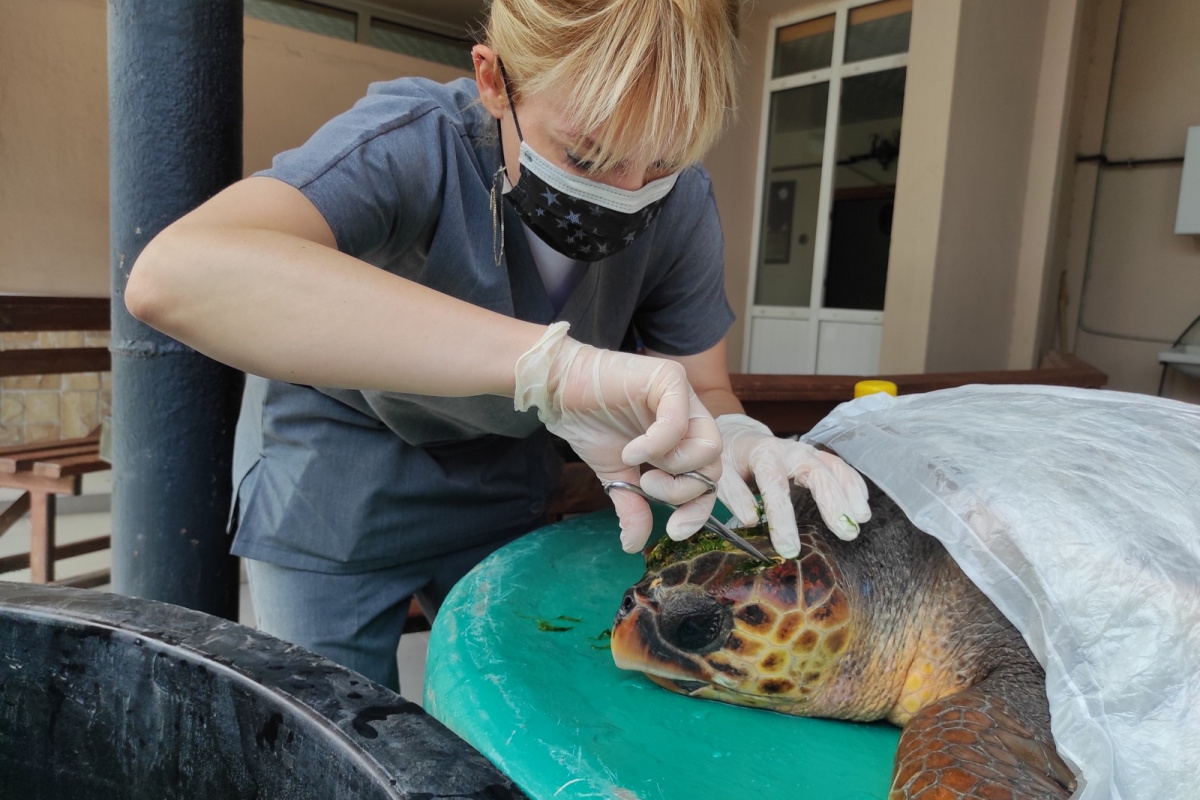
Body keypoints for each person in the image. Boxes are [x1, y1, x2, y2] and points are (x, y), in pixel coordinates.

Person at [125, 0, 870, 692]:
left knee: (508, 696)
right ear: (492, 80)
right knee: (329, 728)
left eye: (662, 163)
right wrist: (548, 366)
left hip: (503, 477)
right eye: (588, 153)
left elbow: (706, 386)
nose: (630, 189)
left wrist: (733, 434)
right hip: (337, 471)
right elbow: (174, 275)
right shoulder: (413, 142)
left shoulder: (683, 205)